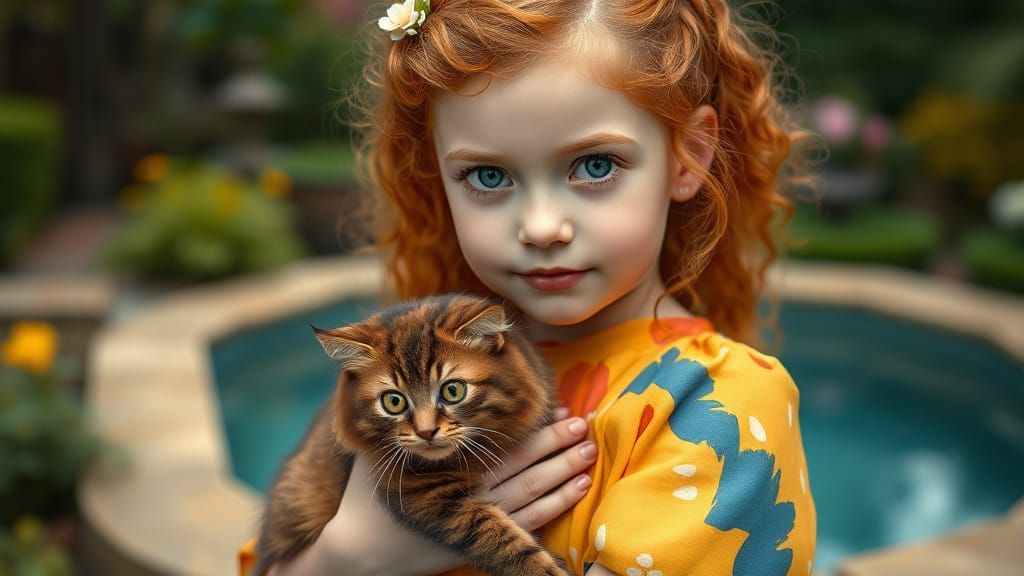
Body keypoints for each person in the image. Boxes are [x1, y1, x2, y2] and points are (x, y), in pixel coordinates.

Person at [240, 0, 816, 573]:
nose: (541, 227)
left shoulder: (718, 407)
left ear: (689, 155)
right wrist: (344, 558)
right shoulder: (417, 373)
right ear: (437, 178)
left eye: (594, 166)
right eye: (488, 176)